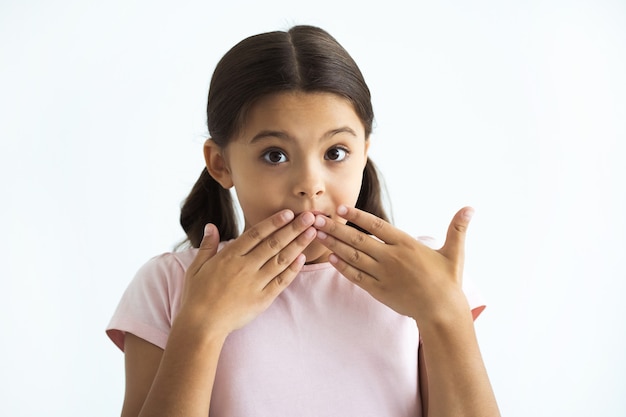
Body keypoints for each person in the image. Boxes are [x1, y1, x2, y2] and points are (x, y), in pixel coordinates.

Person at [106, 25, 500, 417]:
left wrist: (445, 312)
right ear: (220, 164)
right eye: (275, 155)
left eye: (335, 153)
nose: (310, 185)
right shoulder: (170, 286)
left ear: (364, 154)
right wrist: (200, 328)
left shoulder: (428, 275)